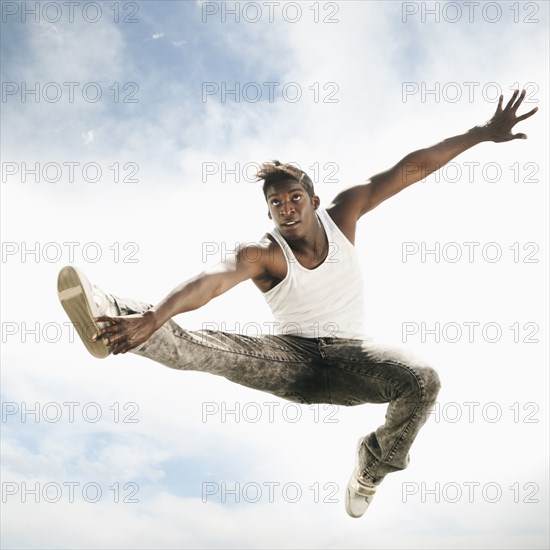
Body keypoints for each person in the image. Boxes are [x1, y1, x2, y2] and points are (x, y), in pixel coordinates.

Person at [57, 89, 537, 518]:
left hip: (356, 359)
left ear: (312, 198)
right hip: (292, 361)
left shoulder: (345, 214)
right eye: (277, 204)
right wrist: (156, 316)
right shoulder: (263, 254)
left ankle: (373, 463)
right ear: (269, 211)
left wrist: (479, 134)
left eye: (294, 198)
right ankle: (111, 313)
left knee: (422, 381)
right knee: (205, 350)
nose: (286, 209)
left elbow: (412, 168)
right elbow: (213, 282)